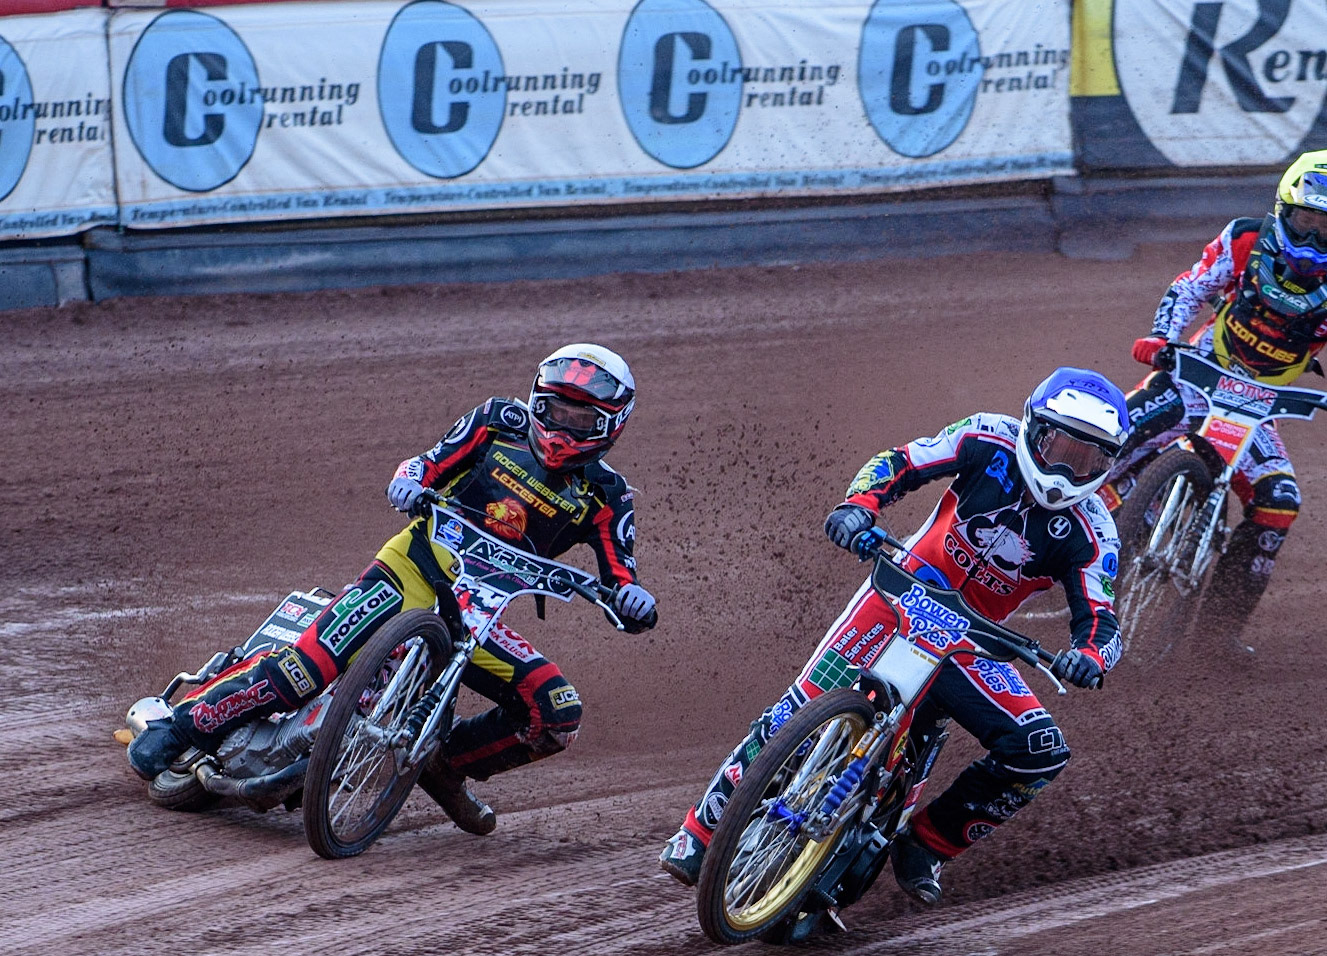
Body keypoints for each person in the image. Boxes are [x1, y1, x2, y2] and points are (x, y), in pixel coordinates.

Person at [128, 344, 659, 834]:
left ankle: (444, 764)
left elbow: (620, 575)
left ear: (609, 425)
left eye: (578, 417)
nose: (560, 425)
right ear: (535, 401)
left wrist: (632, 601)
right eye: (554, 409)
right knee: (305, 669)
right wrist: (409, 480)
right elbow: (428, 461)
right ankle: (181, 730)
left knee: (558, 711)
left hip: (478, 615)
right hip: (411, 568)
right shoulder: (500, 421)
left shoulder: (609, 495)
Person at [659, 368, 1129, 904]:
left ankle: (926, 844)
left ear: (1109, 463)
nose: (1068, 467)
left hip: (973, 642)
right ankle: (697, 834)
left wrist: (1091, 656)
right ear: (1031, 425)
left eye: (1089, 457)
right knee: (797, 708)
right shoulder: (984, 435)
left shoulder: (1096, 531)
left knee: (1040, 751)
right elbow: (899, 462)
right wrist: (859, 507)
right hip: (898, 594)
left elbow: (1102, 616)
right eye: (1058, 444)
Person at [1122, 149, 1327, 654]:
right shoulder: (1244, 238)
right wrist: (1162, 337)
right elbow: (1189, 288)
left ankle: (1218, 634)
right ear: (1283, 210)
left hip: (1259, 406)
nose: (1311, 236)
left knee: (1280, 503)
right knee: (1109, 435)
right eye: (1305, 218)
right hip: (1196, 377)